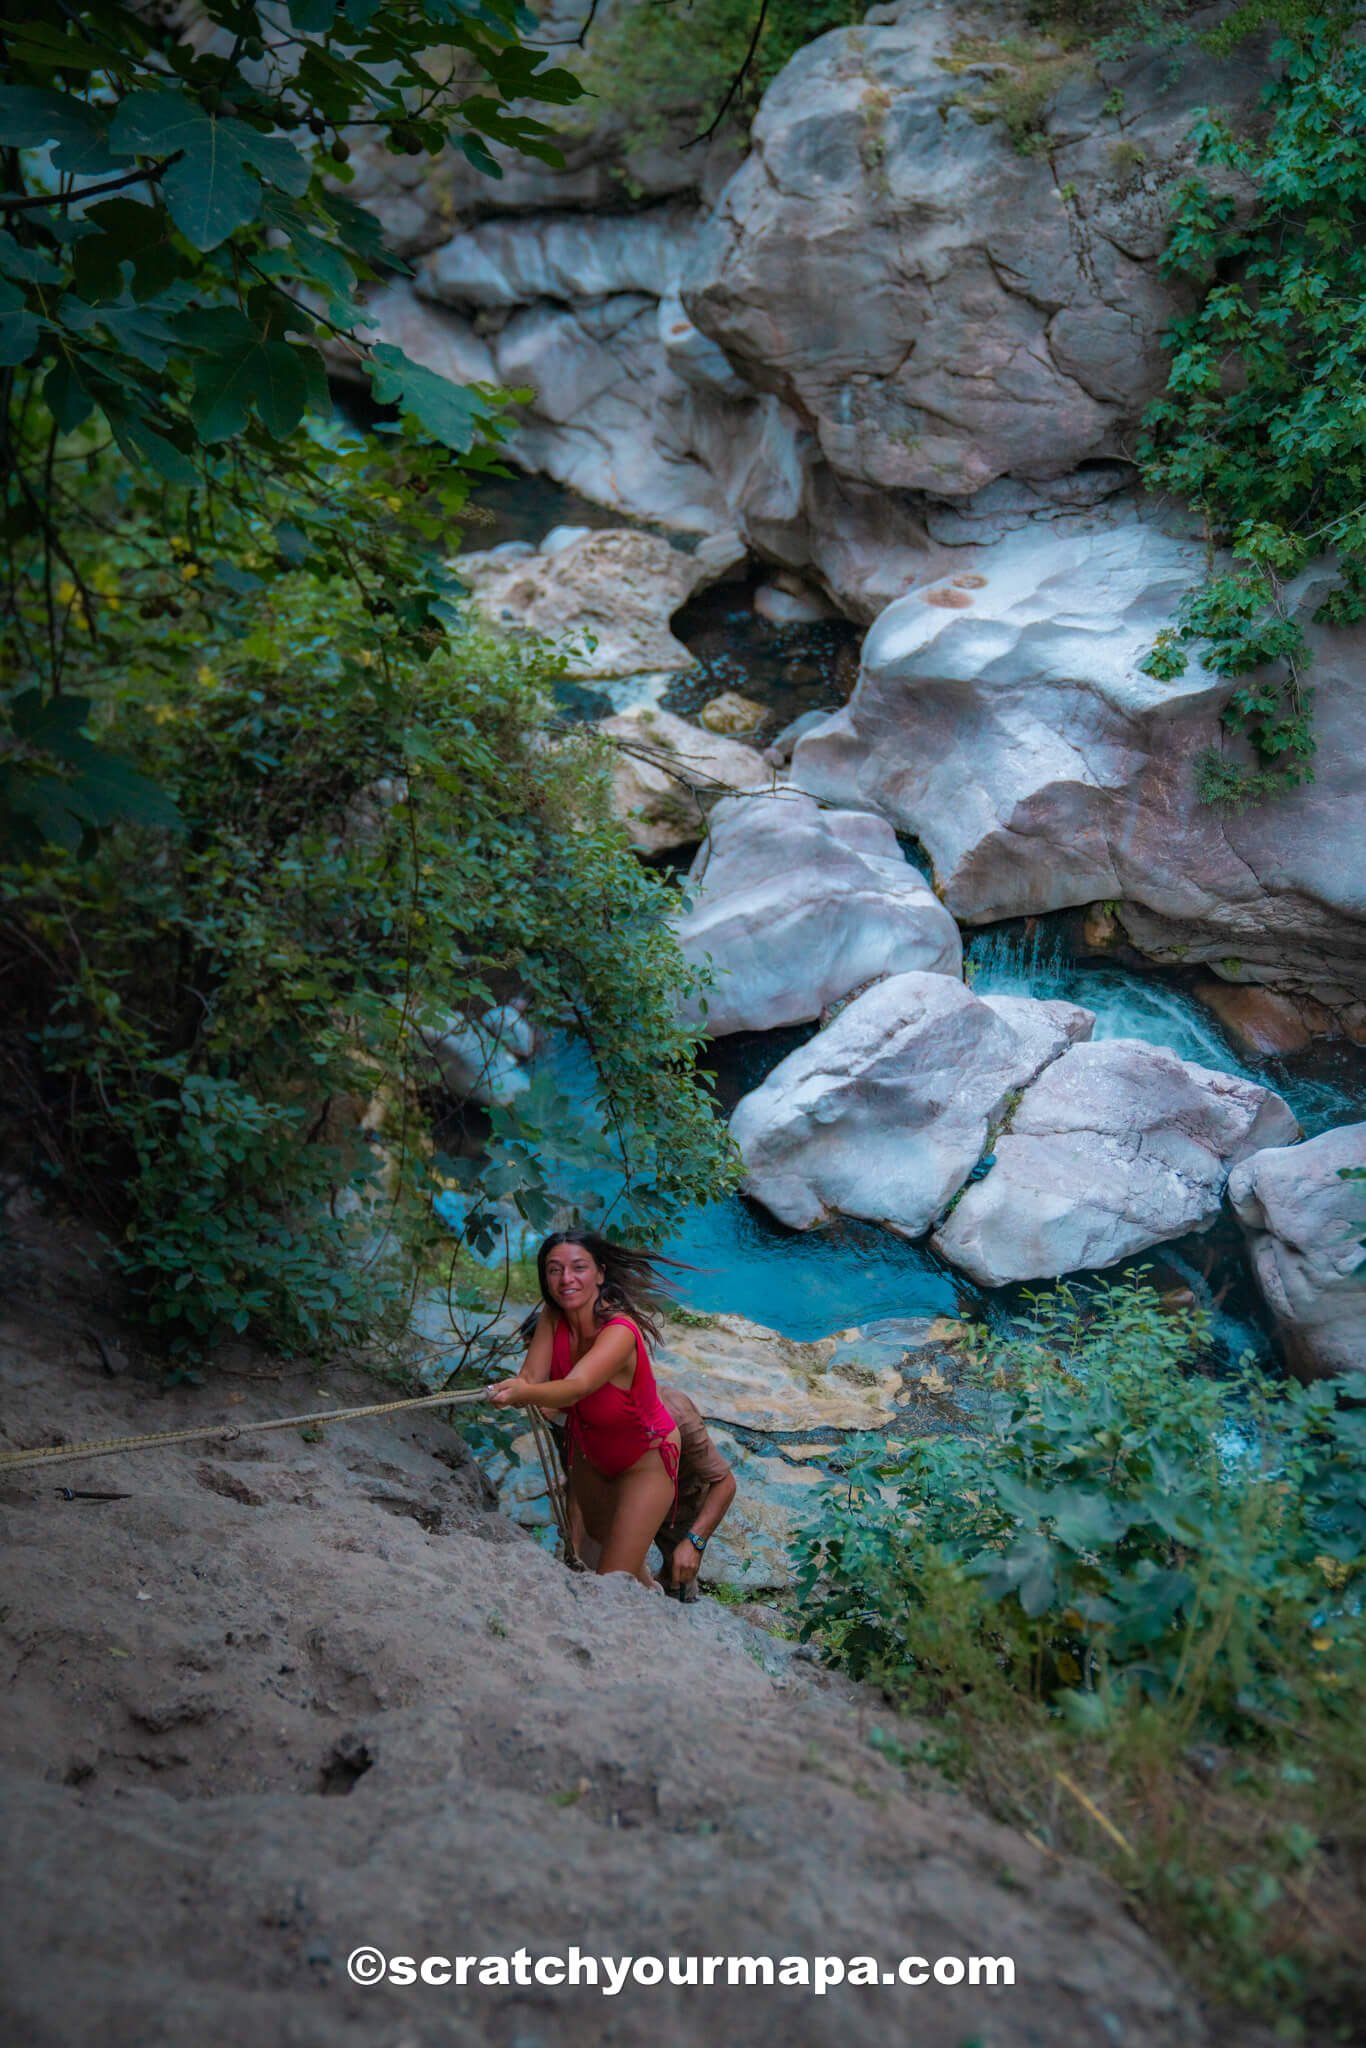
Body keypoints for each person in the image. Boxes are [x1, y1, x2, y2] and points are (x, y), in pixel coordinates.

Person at [489, 1232, 683, 1590]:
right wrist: (513, 1389)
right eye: (554, 1270)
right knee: (596, 1537)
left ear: (600, 1274)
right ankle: (650, 1590)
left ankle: (647, 1599)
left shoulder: (620, 1331)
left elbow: (579, 1385)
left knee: (612, 1580)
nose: (566, 1279)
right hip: (591, 1454)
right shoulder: (552, 1315)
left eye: (579, 1268)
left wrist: (525, 1393)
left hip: (647, 1457)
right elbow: (531, 1376)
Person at [652, 1385, 736, 1601]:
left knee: (679, 1576)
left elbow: (725, 1483)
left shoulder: (677, 1414)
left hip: (680, 1501)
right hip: (624, 1496)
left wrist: (694, 1543)